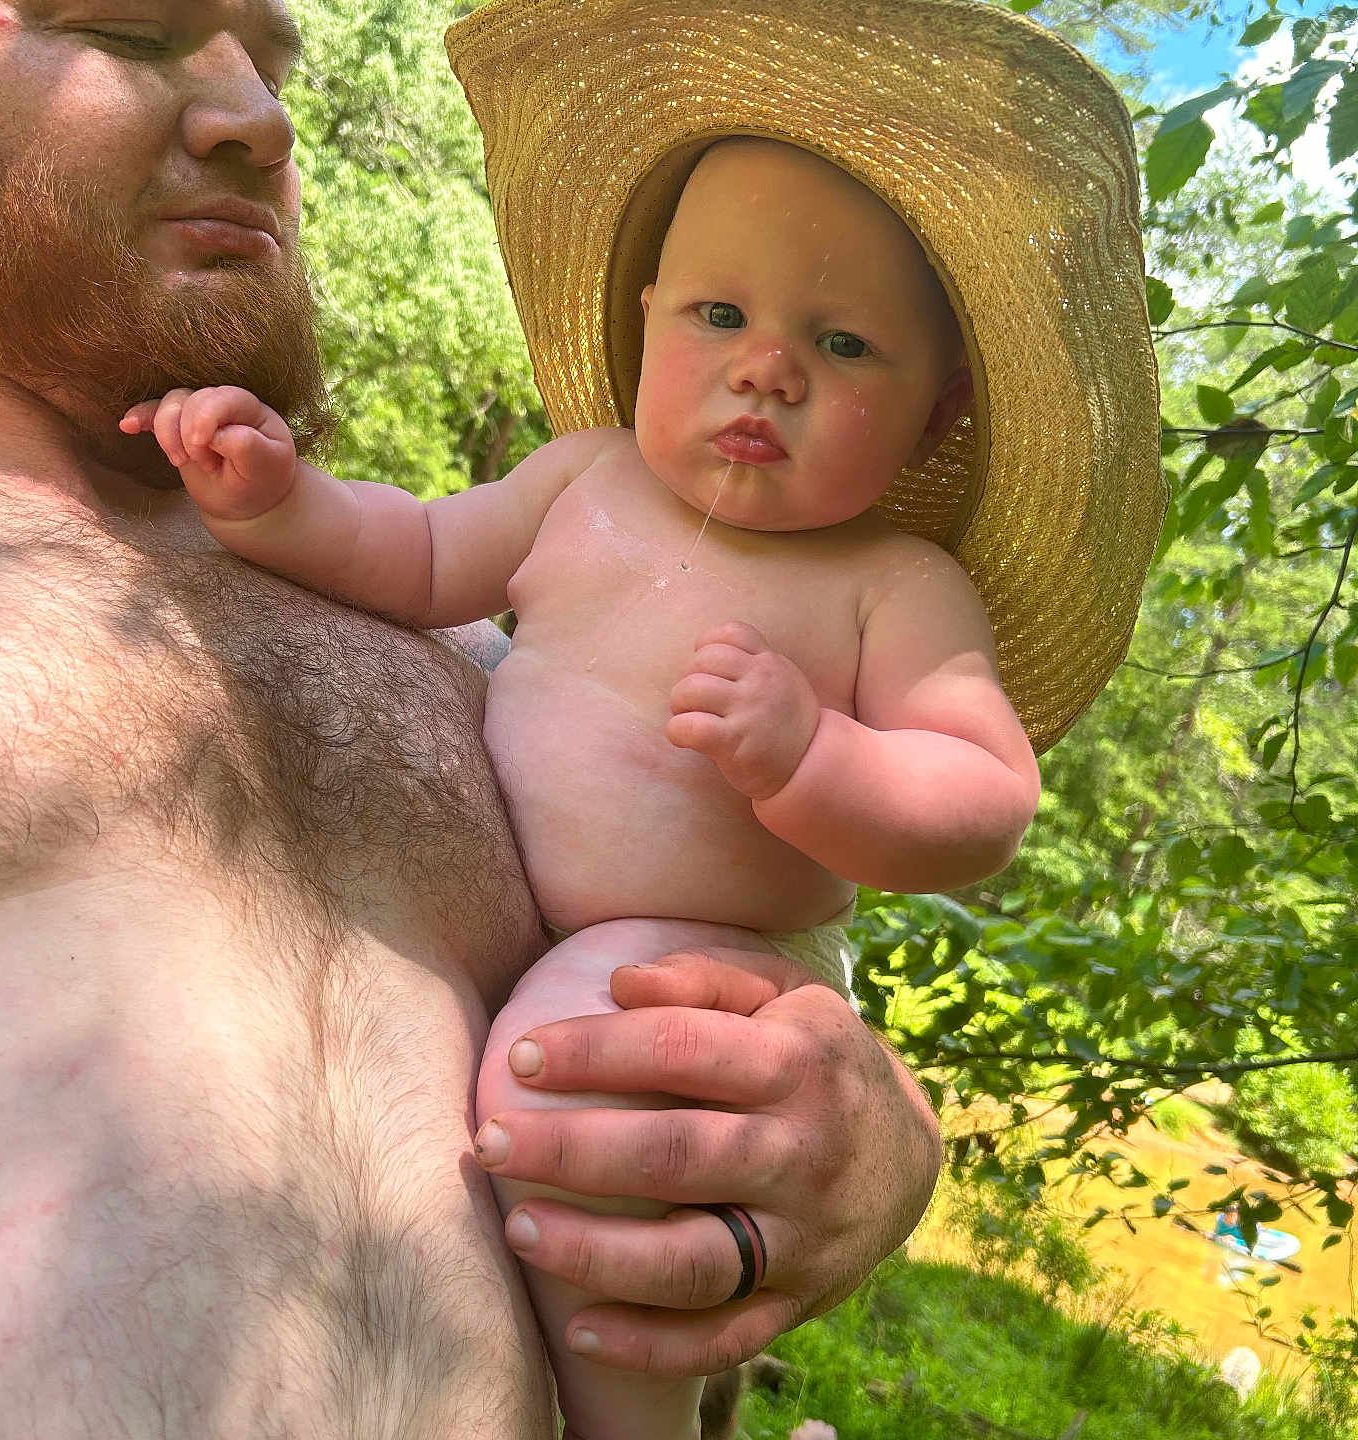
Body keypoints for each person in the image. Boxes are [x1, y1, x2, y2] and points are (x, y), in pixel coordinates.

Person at [121, 0, 1165, 1433]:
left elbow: (983, 798)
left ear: (940, 416)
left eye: (845, 344)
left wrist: (818, 756)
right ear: (647, 323)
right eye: (721, 314)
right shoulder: (584, 479)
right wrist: (282, 501)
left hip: (698, 959)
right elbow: (420, 555)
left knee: (580, 1118)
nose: (767, 366)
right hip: (525, 939)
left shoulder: (891, 586)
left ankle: (633, 1423)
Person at [0, 3, 953, 1436]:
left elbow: (704, 950)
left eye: (274, 66)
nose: (255, 118)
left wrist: (878, 1134)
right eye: (132, 24)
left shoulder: (466, 636)